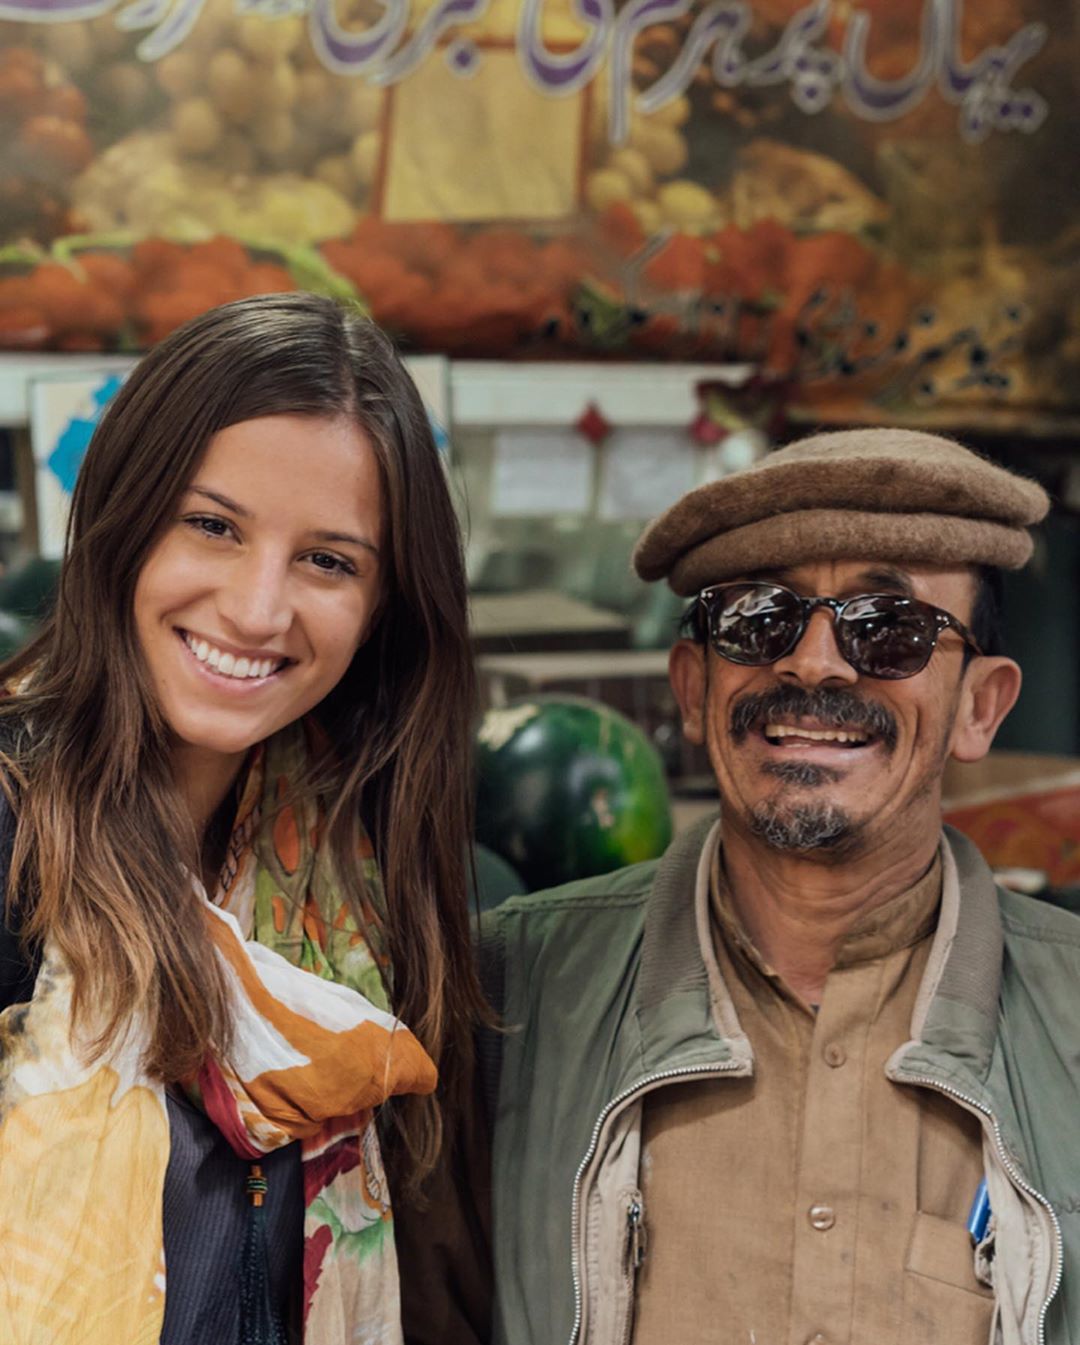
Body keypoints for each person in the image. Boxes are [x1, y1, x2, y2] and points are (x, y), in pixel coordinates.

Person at [403, 428, 1080, 1345]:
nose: (812, 663)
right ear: (693, 689)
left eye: (889, 627)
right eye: (760, 619)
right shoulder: (507, 998)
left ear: (980, 706)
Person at [0, 292, 488, 1345]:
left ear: (384, 606)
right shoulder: (14, 845)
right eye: (213, 525)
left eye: (328, 560)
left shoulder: (371, 880)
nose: (259, 609)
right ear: (124, 520)